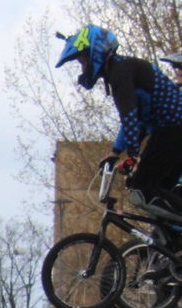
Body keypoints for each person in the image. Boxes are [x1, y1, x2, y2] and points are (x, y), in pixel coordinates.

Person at [57, 25, 182, 217]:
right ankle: (171, 243)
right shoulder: (122, 69)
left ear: (95, 52)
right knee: (160, 191)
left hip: (173, 129)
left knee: (142, 189)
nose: (83, 68)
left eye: (82, 61)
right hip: (171, 130)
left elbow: (129, 116)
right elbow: (135, 122)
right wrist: (115, 152)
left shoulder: (120, 72)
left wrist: (133, 154)